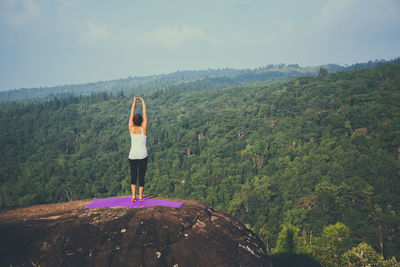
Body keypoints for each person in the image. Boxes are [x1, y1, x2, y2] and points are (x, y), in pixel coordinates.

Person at [128, 96, 148, 201]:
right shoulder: (143, 129)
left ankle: (133, 196)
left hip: (132, 156)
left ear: (133, 121)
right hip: (143, 156)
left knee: (133, 175)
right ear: (141, 121)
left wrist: (134, 103)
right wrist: (143, 101)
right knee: (141, 176)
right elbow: (145, 114)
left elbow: (131, 114)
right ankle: (140, 196)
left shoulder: (131, 129)